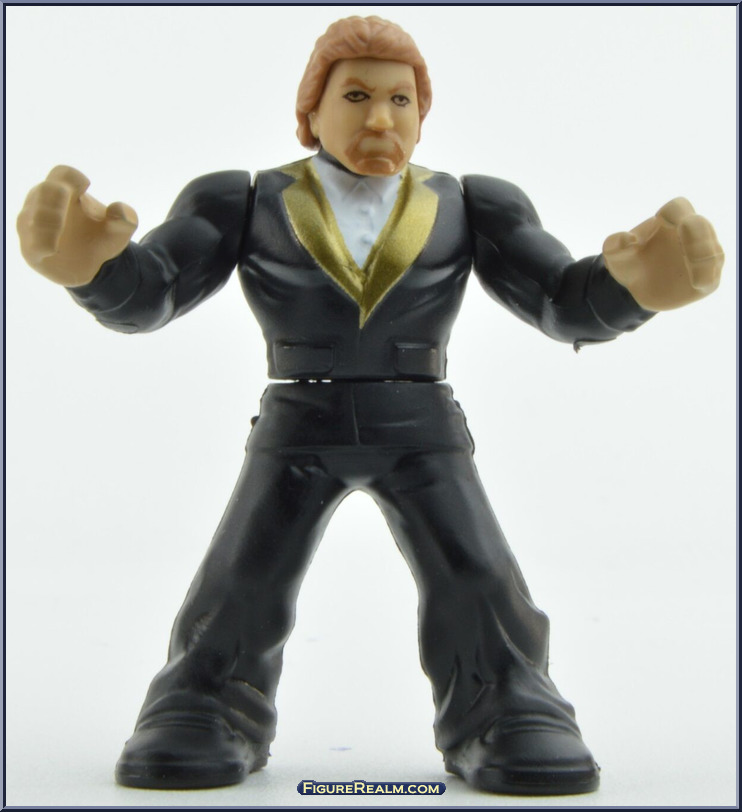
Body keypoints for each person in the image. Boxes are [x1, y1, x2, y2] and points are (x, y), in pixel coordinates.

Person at [16, 16, 723, 796]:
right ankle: (204, 703)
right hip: (299, 417)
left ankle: (507, 705)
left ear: (423, 114)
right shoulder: (243, 200)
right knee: (246, 571)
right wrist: (98, 270)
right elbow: (156, 291)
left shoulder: (472, 204)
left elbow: (559, 298)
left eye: (401, 100)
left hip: (419, 418)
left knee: (475, 570)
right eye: (356, 97)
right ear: (311, 112)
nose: (382, 118)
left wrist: (630, 288)